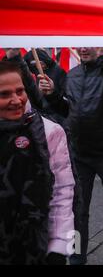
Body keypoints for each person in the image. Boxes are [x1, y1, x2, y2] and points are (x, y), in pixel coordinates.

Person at [38, 47, 103, 265]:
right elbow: (66, 110)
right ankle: (78, 255)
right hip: (80, 154)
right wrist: (52, 95)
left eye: (90, 43)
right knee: (78, 210)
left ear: (101, 46)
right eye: (81, 43)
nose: (83, 48)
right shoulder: (72, 75)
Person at [0, 61, 75, 265]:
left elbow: (64, 193)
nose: (16, 100)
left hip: (39, 248)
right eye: (4, 94)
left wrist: (61, 248)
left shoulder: (49, 132)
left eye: (19, 91)